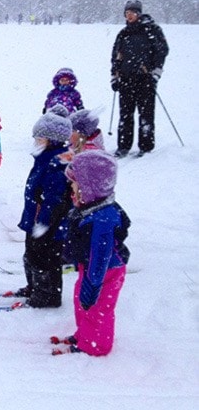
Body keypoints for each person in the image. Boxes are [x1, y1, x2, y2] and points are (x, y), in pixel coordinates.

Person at [52, 150, 131, 356]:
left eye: (75, 183)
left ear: (89, 187)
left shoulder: (103, 218)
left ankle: (97, 346)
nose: (71, 187)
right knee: (82, 303)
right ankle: (84, 336)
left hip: (106, 271)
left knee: (97, 309)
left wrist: (94, 281)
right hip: (89, 268)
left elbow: (101, 254)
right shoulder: (90, 208)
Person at [13, 105, 72, 308]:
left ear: (53, 140)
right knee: (31, 255)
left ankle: (48, 296)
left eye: (40, 138)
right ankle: (35, 287)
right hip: (36, 220)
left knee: (45, 260)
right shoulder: (44, 159)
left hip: (49, 226)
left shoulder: (57, 164)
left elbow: (54, 201)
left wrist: (43, 225)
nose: (36, 142)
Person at [110, 0, 169, 158]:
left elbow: (161, 52)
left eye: (132, 13)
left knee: (146, 115)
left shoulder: (152, 30)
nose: (129, 16)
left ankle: (146, 146)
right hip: (125, 80)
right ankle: (123, 146)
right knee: (125, 115)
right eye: (127, 13)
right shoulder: (123, 33)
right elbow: (116, 56)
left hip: (145, 79)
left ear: (139, 13)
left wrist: (155, 74)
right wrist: (114, 77)